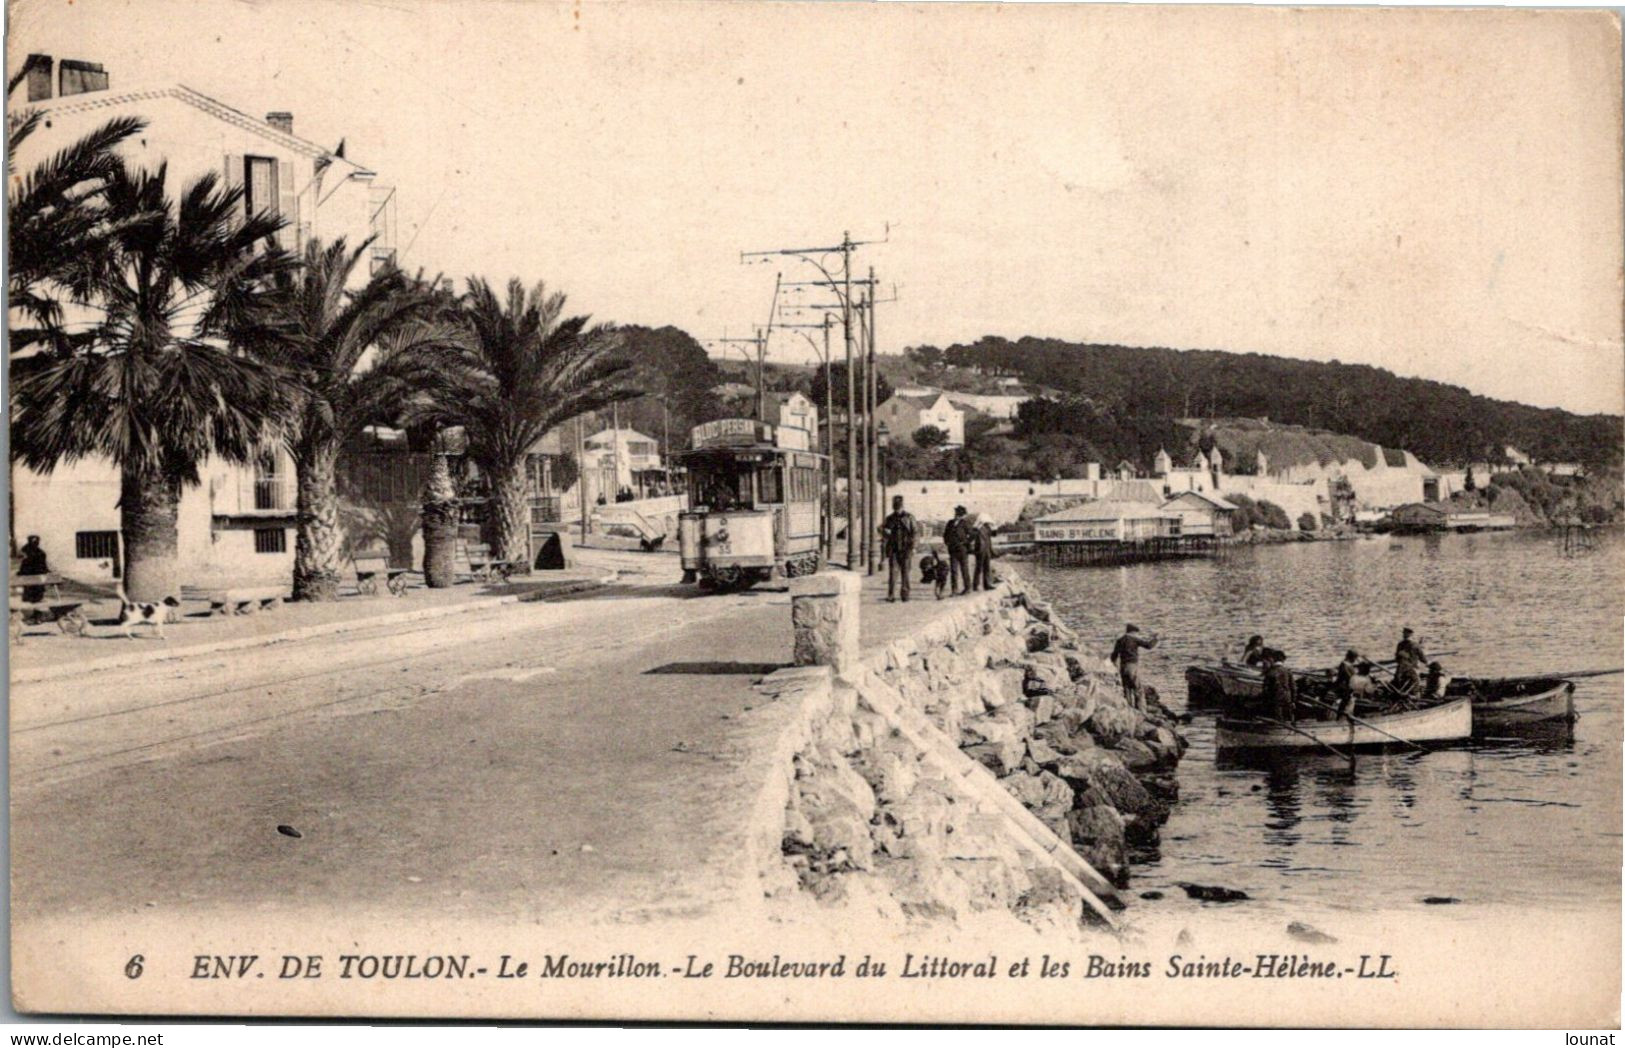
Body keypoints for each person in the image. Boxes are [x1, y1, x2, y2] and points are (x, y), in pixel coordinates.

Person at [1109, 623, 1160, 710]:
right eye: (1136, 633)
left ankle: (1129, 709)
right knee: (1138, 688)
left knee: (1127, 689)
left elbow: (1114, 656)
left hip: (1122, 667)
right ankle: (1140, 710)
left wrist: (1114, 666)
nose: (1137, 635)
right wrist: (1155, 638)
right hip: (1132, 666)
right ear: (1133, 632)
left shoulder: (1120, 640)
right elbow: (1149, 646)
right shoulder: (1134, 639)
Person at [881, 494, 918, 602]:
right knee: (893, 573)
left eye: (899, 507)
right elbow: (884, 532)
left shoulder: (909, 517)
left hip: (906, 549)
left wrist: (914, 547)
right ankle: (891, 595)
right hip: (894, 549)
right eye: (896, 508)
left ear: (902, 506)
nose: (897, 510)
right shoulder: (890, 518)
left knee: (905, 573)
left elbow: (915, 533)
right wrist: (885, 532)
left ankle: (905, 595)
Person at [1260, 648, 1297, 724]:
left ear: (1273, 659)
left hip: (1275, 698)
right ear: (1283, 660)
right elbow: (1293, 687)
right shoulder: (1288, 671)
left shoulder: (1270, 672)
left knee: (1278, 718)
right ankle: (1290, 728)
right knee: (1288, 716)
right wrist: (1293, 700)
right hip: (1287, 697)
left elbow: (1265, 688)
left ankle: (1278, 730)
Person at [943, 505, 971, 596]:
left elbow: (971, 535)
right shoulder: (950, 523)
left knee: (964, 569)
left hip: (962, 550)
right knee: (954, 570)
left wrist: (966, 542)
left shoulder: (965, 523)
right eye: (956, 513)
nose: (956, 515)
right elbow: (945, 534)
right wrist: (947, 542)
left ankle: (967, 588)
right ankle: (954, 590)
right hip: (952, 550)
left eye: (959, 514)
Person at [1393, 627, 1427, 695]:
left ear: (1403, 635)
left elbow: (1397, 658)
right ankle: (1415, 695)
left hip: (1400, 669)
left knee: (1397, 683)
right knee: (1416, 683)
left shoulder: (1400, 644)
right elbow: (1423, 659)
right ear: (1411, 635)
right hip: (1411, 669)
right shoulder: (1416, 645)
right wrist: (1426, 662)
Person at [1333, 649, 1364, 720]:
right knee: (1347, 703)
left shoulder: (1344, 664)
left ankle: (1341, 716)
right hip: (1345, 688)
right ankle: (1343, 717)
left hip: (1343, 687)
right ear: (1352, 657)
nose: (1355, 661)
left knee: (1345, 703)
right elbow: (1351, 678)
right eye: (1355, 658)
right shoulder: (1346, 665)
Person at [17, 535, 48, 603]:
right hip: (30, 574)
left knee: (36, 583)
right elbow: (24, 564)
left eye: (37, 541)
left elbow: (42, 563)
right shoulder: (26, 550)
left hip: (36, 574)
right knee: (32, 583)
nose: (36, 542)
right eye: (34, 541)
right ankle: (33, 598)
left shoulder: (40, 552)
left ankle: (37, 598)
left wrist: (45, 570)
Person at [971, 514, 997, 591]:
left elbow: (994, 534)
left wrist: (994, 527)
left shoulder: (988, 528)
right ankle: (976, 585)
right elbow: (973, 534)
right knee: (979, 568)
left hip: (987, 549)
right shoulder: (977, 528)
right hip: (980, 550)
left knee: (987, 567)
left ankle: (987, 584)